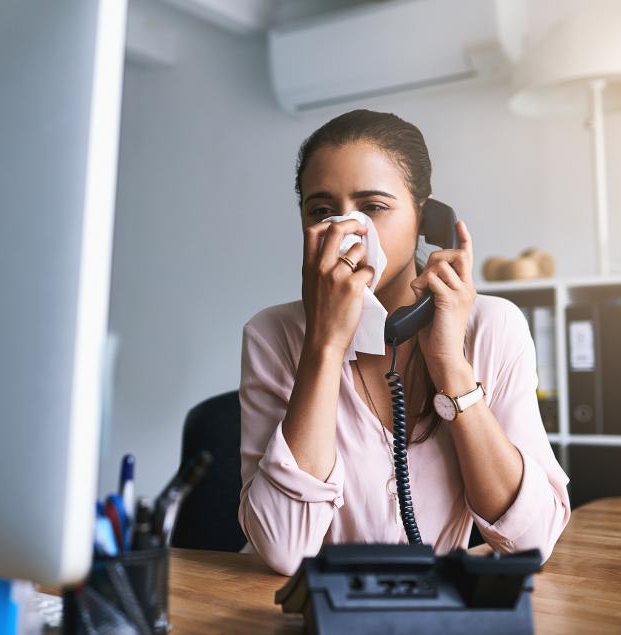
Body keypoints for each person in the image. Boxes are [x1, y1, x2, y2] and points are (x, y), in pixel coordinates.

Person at [237, 109, 570, 576]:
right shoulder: (272, 336)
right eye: (321, 211)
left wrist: (450, 365)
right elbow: (285, 550)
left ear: (425, 219)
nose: (346, 229)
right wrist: (325, 346)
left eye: (373, 206)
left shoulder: (494, 327)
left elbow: (531, 541)